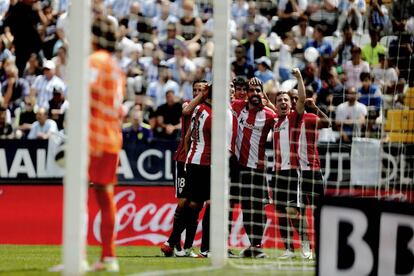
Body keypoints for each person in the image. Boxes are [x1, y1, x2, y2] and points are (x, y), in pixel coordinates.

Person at [87, 16, 125, 272]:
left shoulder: (95, 61)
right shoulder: (116, 67)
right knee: (104, 194)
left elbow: (85, 92)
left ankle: (75, 257)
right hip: (112, 137)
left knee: (78, 194)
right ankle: (108, 256)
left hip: (92, 137)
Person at [161, 80, 209, 257]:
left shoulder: (209, 109)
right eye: (195, 89)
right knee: (183, 201)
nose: (198, 92)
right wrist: (202, 96)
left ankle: (185, 246)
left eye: (201, 90)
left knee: (196, 204)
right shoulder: (189, 104)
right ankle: (175, 242)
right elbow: (186, 111)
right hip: (183, 158)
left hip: (201, 160)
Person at [231, 77, 276, 258]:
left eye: (258, 91)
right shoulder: (237, 107)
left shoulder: (268, 115)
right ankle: (253, 246)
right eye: (252, 91)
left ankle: (257, 245)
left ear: (262, 94)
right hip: (238, 167)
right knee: (245, 207)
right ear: (247, 94)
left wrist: (269, 102)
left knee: (259, 208)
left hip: (257, 168)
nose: (255, 94)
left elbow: (284, 119)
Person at [272, 68, 305, 259]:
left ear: (290, 104)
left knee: (292, 211)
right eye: (280, 100)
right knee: (281, 212)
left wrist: (299, 78)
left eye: (286, 100)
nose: (283, 102)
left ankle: (306, 246)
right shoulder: (275, 122)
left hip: (293, 171)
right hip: (277, 173)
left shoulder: (295, 118)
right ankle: (289, 249)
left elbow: (301, 99)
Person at [182, 83, 212, 256]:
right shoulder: (210, 114)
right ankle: (206, 248)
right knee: (207, 204)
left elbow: (188, 137)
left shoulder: (198, 109)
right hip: (204, 163)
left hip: (193, 160)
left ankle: (187, 246)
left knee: (194, 204)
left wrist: (188, 157)